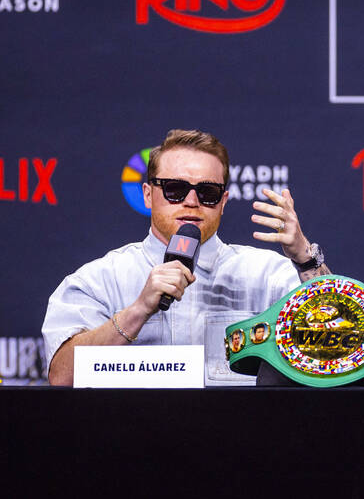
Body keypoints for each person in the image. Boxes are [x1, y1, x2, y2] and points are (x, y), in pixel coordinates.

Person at [42, 129, 331, 386]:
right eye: (175, 189)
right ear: (147, 194)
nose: (191, 201)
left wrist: (305, 259)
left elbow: (341, 343)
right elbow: (62, 376)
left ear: (223, 202)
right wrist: (137, 312)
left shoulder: (266, 274)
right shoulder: (100, 279)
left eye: (207, 192)